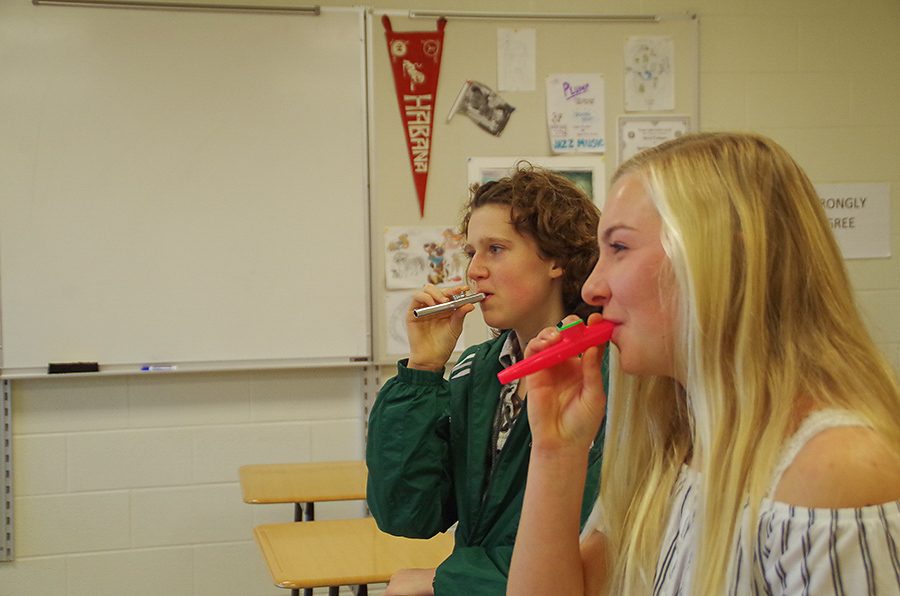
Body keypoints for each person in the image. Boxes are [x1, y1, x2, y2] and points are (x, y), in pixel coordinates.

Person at [508, 132, 900, 595]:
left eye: (620, 248)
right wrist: (557, 452)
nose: (593, 287)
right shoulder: (674, 445)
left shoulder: (836, 471)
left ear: (732, 261)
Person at [367, 164, 607, 595]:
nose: (474, 271)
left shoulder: (600, 375)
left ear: (556, 259)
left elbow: (584, 549)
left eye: (495, 249)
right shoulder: (477, 369)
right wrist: (422, 371)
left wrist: (445, 579)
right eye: (471, 252)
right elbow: (408, 513)